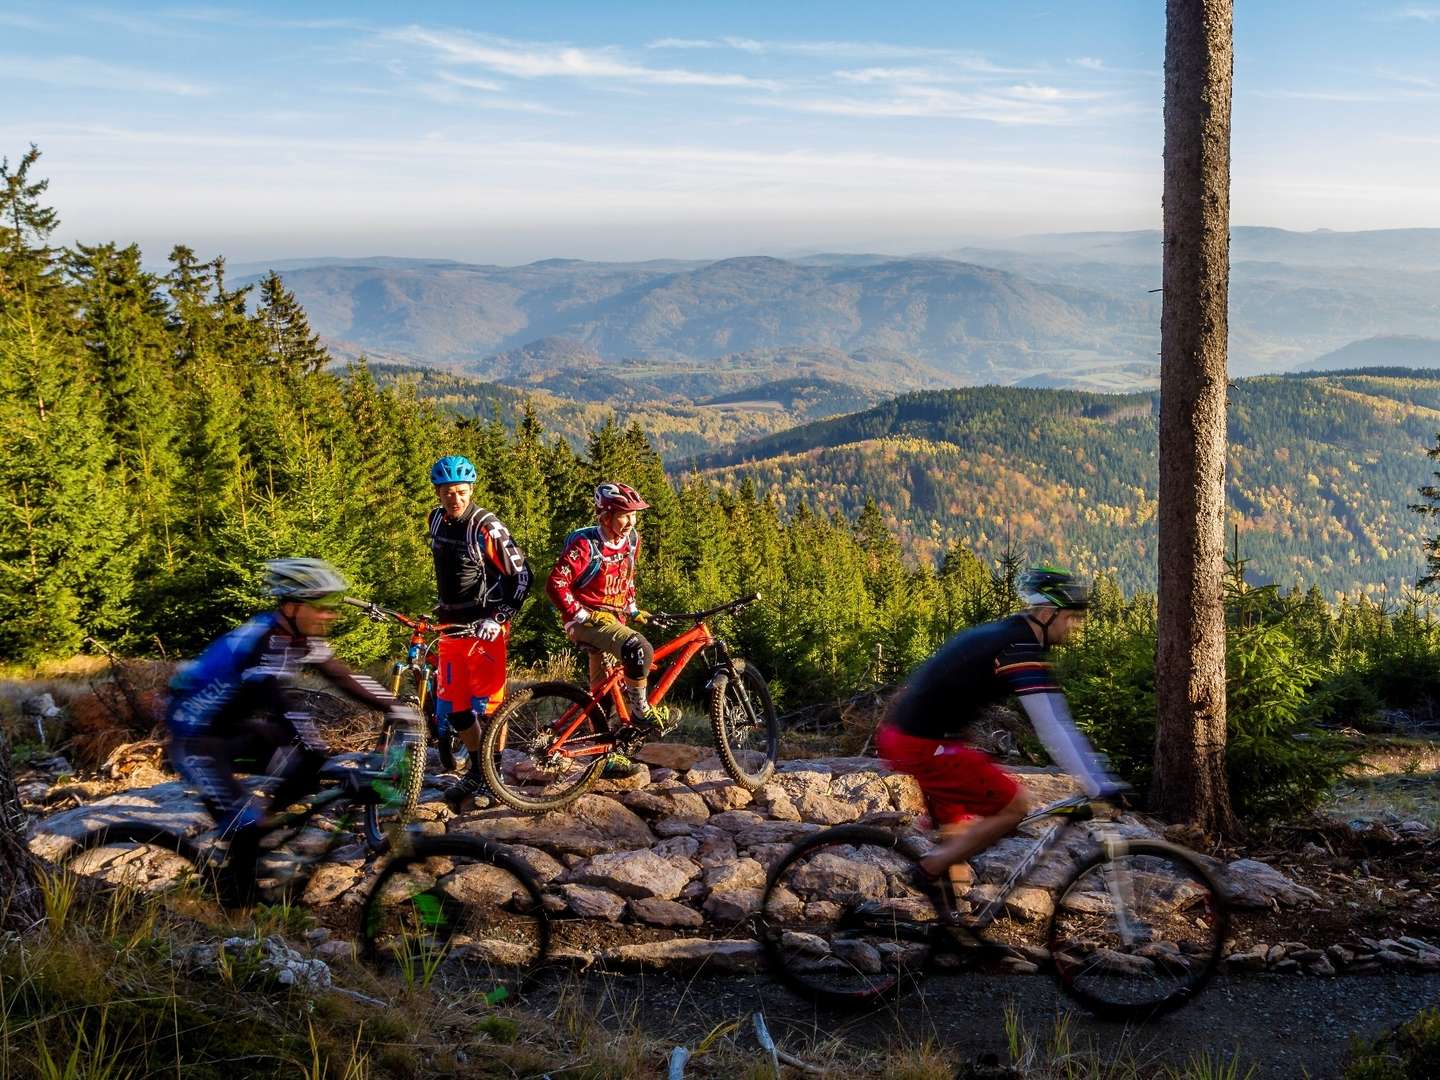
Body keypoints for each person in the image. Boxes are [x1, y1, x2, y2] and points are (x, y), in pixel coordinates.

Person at [878, 566, 1121, 892]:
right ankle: (926, 871)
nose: (1074, 626)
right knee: (1015, 805)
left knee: (959, 836)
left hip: (914, 735)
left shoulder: (1007, 633)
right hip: (921, 743)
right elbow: (1052, 725)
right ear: (1048, 613)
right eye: (1069, 617)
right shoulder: (1019, 646)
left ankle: (953, 923)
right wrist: (1097, 783)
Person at [165, 558, 415, 872]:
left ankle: (263, 832)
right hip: (196, 740)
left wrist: (397, 707)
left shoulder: (298, 637)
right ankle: (235, 893)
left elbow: (343, 677)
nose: (330, 614)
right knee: (247, 821)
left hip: (230, 727)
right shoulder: (263, 642)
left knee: (307, 763)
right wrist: (310, 743)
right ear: (292, 607)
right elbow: (277, 702)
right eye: (322, 606)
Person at [546, 481, 671, 777]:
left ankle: (607, 755)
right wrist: (578, 614)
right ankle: (642, 711)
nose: (630, 521)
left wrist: (632, 609)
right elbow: (556, 583)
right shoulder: (586, 545)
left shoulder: (631, 540)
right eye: (623, 515)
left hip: (615, 619)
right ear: (605, 516)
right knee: (639, 649)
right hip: (590, 620)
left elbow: (626, 577)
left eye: (634, 514)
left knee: (603, 693)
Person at [427, 455, 531, 809]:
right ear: (438, 494)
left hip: (485, 628)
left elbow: (521, 576)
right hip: (450, 626)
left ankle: (494, 775)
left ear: (471, 490)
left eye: (460, 491)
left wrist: (499, 617)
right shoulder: (436, 521)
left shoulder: (486, 527)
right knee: (456, 709)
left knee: (489, 706)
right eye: (447, 492)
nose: (454, 498)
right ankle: (475, 770)